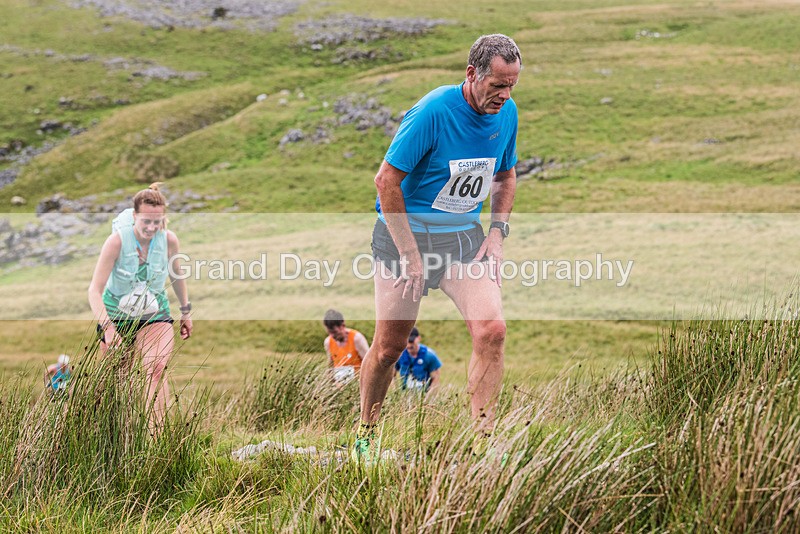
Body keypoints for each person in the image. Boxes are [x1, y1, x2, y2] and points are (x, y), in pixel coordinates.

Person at [354, 34, 521, 460]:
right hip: (402, 239)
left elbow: (505, 176)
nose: (504, 95)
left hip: (462, 240)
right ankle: (365, 435)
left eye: (511, 86)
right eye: (497, 85)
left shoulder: (508, 114)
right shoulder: (432, 111)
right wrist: (411, 256)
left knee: (492, 330)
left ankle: (483, 443)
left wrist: (497, 234)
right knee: (389, 348)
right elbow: (385, 182)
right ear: (472, 74)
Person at [88, 183, 192, 432]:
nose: (151, 228)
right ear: (134, 216)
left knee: (156, 369)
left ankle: (154, 440)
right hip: (115, 317)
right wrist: (109, 328)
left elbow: (177, 276)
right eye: (146, 221)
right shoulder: (116, 242)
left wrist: (186, 311)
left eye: (157, 222)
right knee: (114, 382)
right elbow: (94, 290)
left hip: (154, 314)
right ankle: (110, 435)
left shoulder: (168, 241)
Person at [323, 309, 370, 384]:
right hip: (339, 387)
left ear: (342, 326)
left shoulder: (357, 339)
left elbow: (370, 365)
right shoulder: (328, 342)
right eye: (329, 332)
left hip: (357, 384)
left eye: (335, 332)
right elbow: (330, 366)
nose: (332, 336)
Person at [395, 327, 441, 393]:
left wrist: (426, 400)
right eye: (407, 341)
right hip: (404, 394)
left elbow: (436, 379)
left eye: (411, 340)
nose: (409, 344)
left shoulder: (429, 355)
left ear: (419, 338)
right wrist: (396, 393)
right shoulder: (399, 354)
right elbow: (391, 375)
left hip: (423, 394)